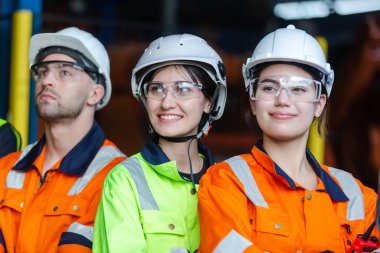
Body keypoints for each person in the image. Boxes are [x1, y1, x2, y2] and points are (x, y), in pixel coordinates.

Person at [197, 25, 379, 252]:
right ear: (253, 102)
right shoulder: (225, 183)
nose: (282, 99)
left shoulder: (356, 195)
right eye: (269, 87)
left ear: (320, 104)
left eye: (299, 89)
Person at [93, 34, 227, 252]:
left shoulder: (227, 182)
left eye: (183, 89)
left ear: (209, 102)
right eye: (156, 89)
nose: (166, 103)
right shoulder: (125, 181)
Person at [0, 27, 126, 253]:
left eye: (65, 72)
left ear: (95, 93)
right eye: (42, 71)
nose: (47, 80)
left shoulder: (116, 177)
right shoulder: (6, 168)